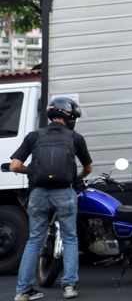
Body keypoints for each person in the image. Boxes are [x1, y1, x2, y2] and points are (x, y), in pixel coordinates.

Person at [10, 97, 93, 301]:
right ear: (68, 115)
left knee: (34, 240)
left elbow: (13, 166)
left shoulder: (33, 136)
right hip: (64, 192)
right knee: (70, 238)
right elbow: (88, 168)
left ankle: (23, 290)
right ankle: (69, 287)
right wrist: (75, 178)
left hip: (38, 194)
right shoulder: (75, 137)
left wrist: (32, 171)